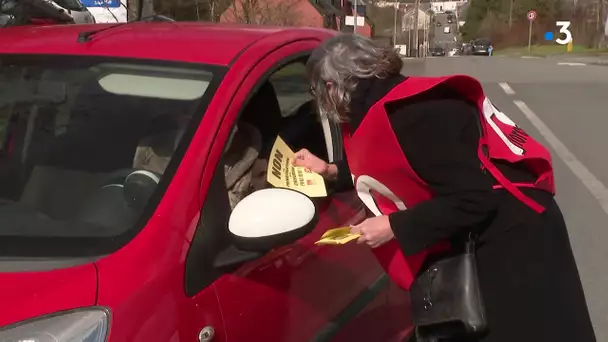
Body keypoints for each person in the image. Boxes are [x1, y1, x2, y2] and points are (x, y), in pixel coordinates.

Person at [293, 34, 596, 342]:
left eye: (318, 92)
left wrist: (393, 226)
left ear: (332, 87)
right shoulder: (391, 101)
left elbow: (475, 198)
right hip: (492, 228)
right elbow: (388, 165)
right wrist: (331, 170)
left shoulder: (413, 113)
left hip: (515, 239)